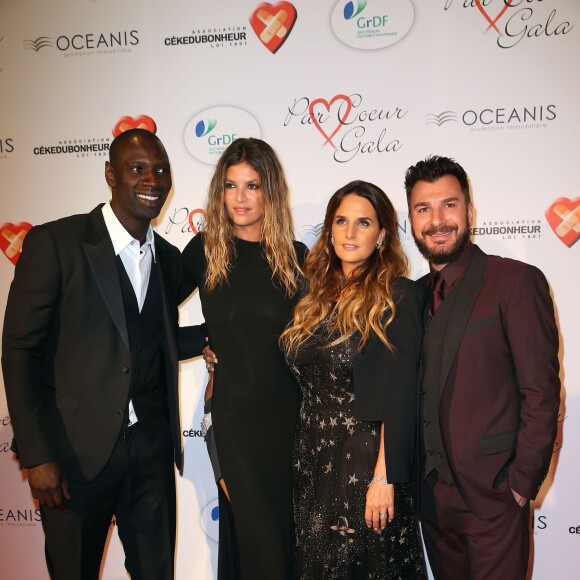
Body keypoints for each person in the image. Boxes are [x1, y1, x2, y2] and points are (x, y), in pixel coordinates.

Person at [1, 128, 203, 580]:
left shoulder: (168, 258)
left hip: (150, 453)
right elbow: (18, 350)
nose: (153, 179)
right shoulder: (57, 242)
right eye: (137, 169)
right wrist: (36, 454)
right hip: (74, 456)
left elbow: (155, 339)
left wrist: (221, 338)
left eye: (161, 170)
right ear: (110, 174)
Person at [405, 155, 561, 579]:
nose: (437, 220)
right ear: (411, 220)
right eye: (423, 209)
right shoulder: (411, 298)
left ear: (470, 212)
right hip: (431, 502)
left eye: (449, 205)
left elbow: (541, 391)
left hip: (494, 496)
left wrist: (520, 482)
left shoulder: (514, 281)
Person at [280, 180, 427, 579]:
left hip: (365, 462)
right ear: (328, 230)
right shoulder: (310, 297)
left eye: (364, 223)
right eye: (341, 221)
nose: (350, 232)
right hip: (311, 460)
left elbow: (402, 395)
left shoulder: (397, 296)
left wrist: (385, 477)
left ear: (381, 235)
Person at [180, 137, 307, 579]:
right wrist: (200, 339)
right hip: (234, 423)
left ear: (270, 191)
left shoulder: (296, 259)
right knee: (262, 548)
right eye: (231, 186)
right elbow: (148, 323)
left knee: (285, 544)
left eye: (252, 186)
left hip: (290, 422)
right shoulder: (204, 252)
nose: (240, 198)